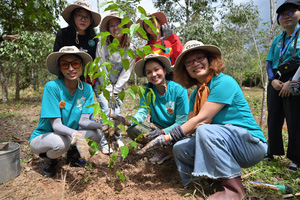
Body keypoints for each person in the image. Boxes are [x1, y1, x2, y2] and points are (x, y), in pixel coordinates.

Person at [139, 41, 267, 199]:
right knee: (181, 148)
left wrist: (167, 136)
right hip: (222, 142)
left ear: (210, 60)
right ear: (185, 70)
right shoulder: (195, 94)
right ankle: (199, 183)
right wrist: (167, 138)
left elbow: (202, 119)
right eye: (189, 62)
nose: (195, 64)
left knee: (204, 129)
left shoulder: (223, 82)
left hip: (249, 144)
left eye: (199, 58)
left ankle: (234, 190)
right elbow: (189, 125)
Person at [29, 46, 105, 177]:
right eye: (65, 64)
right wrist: (76, 134)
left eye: (75, 63)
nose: (71, 69)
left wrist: (102, 126)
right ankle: (50, 160)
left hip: (68, 135)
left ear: (82, 66)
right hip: (46, 136)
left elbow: (84, 121)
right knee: (60, 143)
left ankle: (73, 156)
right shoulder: (52, 87)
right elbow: (56, 125)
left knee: (96, 134)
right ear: (59, 68)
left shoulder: (86, 89)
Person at [111, 54, 189, 164]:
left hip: (175, 130)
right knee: (133, 130)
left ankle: (169, 149)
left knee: (181, 144)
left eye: (157, 69)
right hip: (156, 126)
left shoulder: (179, 90)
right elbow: (142, 112)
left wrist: (162, 132)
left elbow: (181, 121)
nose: (153, 74)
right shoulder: (147, 90)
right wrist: (126, 121)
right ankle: (162, 149)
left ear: (165, 71)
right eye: (149, 72)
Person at [94, 12, 135, 154]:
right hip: (102, 85)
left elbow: (126, 72)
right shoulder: (102, 43)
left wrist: (115, 90)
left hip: (119, 86)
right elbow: (100, 66)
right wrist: (108, 88)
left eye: (118, 24)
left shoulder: (130, 48)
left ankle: (116, 136)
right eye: (111, 25)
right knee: (106, 110)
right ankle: (105, 141)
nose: (115, 28)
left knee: (117, 112)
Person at [266, 0, 300, 171]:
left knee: (295, 118)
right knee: (273, 116)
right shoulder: (278, 39)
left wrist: (292, 82)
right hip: (277, 79)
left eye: (290, 12)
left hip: (296, 78)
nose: (286, 17)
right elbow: (269, 62)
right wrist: (272, 80)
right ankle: (272, 150)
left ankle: (296, 157)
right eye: (282, 14)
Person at [54, 0, 101, 85]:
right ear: (73, 17)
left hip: (85, 81)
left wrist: (91, 77)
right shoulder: (63, 34)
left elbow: (95, 60)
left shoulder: (93, 39)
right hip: (66, 79)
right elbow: (56, 57)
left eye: (87, 17)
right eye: (79, 15)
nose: (83, 19)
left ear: (91, 20)